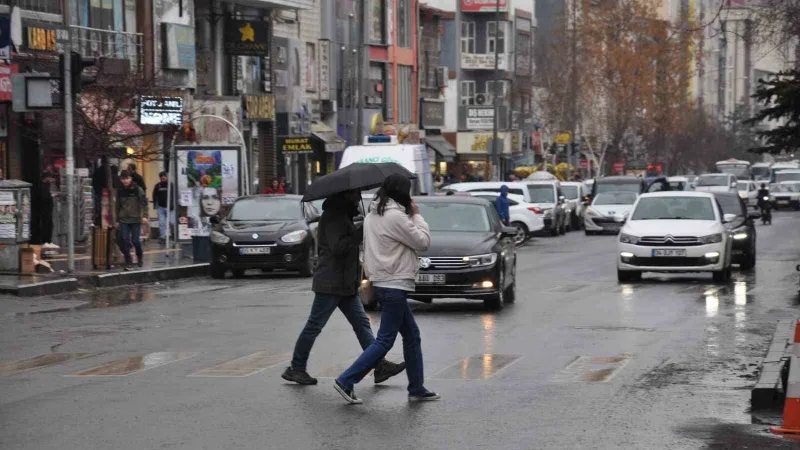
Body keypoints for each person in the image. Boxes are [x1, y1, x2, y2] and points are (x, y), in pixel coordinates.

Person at [282, 189, 406, 386]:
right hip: (331, 282)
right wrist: (360, 232)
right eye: (356, 195)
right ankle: (296, 368)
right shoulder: (333, 217)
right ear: (346, 197)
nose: (358, 199)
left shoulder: (343, 216)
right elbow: (338, 248)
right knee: (314, 326)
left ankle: (379, 366)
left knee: (362, 324)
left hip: (345, 283)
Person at [334, 174, 438, 404]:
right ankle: (346, 380)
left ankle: (417, 387)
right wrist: (417, 216)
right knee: (385, 340)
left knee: (412, 335)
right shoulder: (395, 217)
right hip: (394, 283)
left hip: (382, 281)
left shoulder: (373, 215)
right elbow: (422, 242)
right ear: (402, 193)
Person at [116, 170, 148, 270]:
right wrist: (117, 220)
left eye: (127, 178)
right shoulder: (120, 190)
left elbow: (144, 203)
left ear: (131, 179)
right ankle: (128, 261)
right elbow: (117, 206)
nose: (125, 181)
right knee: (124, 240)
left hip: (135, 219)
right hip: (123, 220)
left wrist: (145, 216)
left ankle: (140, 257)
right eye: (123, 179)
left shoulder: (138, 189)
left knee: (136, 241)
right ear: (121, 180)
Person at [152, 172, 174, 243]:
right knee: (162, 223)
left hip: (170, 207)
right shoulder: (158, 186)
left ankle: (174, 236)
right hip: (160, 207)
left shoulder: (171, 185)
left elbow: (174, 195)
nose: (163, 178)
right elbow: (154, 195)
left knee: (172, 222)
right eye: (161, 177)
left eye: (164, 177)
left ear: (167, 177)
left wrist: (173, 205)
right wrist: (155, 205)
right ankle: (162, 237)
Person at [37, 172, 58, 248]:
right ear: (47, 177)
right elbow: (44, 197)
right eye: (50, 178)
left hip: (48, 208)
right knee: (45, 225)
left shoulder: (47, 185)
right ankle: (44, 241)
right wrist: (51, 196)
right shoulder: (41, 185)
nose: (52, 180)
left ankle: (48, 241)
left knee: (50, 225)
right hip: (44, 209)